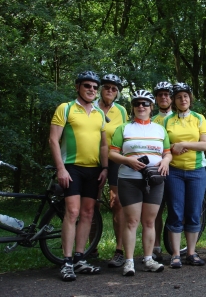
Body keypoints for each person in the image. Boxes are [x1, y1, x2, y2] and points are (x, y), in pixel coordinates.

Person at [49, 71, 108, 281]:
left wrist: (105, 168)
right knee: (72, 212)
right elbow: (53, 140)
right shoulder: (65, 108)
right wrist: (60, 168)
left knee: (88, 213)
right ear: (77, 87)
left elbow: (103, 144)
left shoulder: (100, 113)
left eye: (94, 87)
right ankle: (66, 262)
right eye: (87, 86)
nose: (91, 89)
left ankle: (80, 258)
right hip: (71, 167)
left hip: (93, 169)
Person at [109, 90, 172, 276]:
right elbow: (112, 153)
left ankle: (148, 259)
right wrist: (128, 161)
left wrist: (166, 161)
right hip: (129, 179)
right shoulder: (124, 128)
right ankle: (129, 262)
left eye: (145, 103)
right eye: (137, 104)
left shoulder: (160, 129)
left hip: (155, 180)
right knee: (132, 221)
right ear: (133, 107)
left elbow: (167, 152)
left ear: (151, 107)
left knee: (149, 221)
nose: (141, 107)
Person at [163, 82, 206, 268]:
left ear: (190, 98)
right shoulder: (167, 120)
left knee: (194, 212)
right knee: (175, 211)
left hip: (197, 171)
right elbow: (164, 147)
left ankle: (191, 252)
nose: (183, 99)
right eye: (179, 97)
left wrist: (183, 145)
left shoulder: (199, 118)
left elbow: (205, 145)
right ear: (173, 101)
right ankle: (175, 254)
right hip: (174, 171)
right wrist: (172, 149)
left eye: (186, 96)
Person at [91, 74, 128, 267]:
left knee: (117, 204)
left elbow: (126, 135)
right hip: (91, 159)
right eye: (107, 88)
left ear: (118, 93)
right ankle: (91, 249)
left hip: (114, 161)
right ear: (100, 89)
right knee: (90, 205)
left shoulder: (121, 111)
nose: (110, 91)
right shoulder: (91, 106)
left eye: (114, 89)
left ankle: (119, 250)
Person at [150, 81, 173, 261]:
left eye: (167, 94)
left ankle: (174, 246)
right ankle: (156, 246)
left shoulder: (179, 116)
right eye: (160, 95)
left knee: (175, 208)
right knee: (156, 209)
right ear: (156, 99)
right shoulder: (152, 119)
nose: (163, 97)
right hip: (156, 169)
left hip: (176, 169)